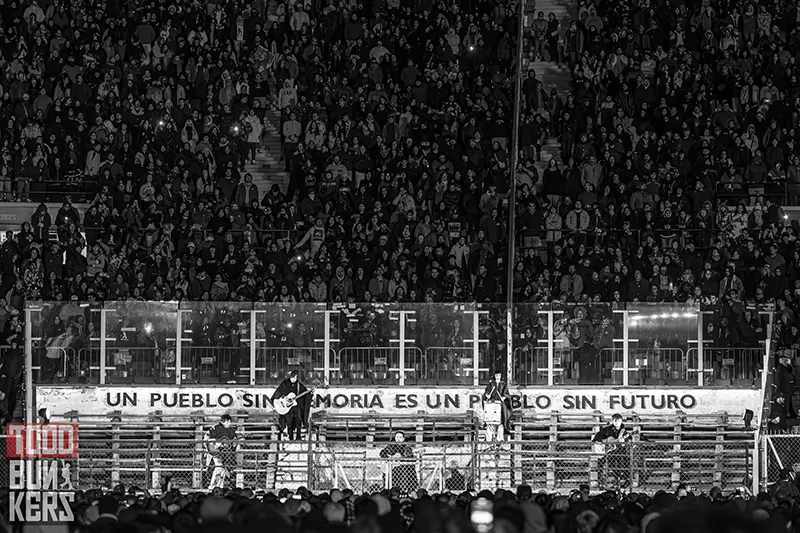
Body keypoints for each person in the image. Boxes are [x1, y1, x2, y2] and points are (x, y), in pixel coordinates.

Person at [592, 414, 634, 489]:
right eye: (614, 420)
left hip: (620, 453)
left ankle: (622, 481)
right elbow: (596, 438)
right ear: (612, 421)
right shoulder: (607, 429)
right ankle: (601, 482)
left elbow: (628, 441)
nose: (616, 422)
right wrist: (603, 444)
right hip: (607, 452)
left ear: (621, 421)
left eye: (618, 420)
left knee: (624, 460)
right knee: (601, 461)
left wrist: (624, 442)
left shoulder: (624, 432)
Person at [271, 370, 310, 440]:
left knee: (298, 421)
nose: (293, 379)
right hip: (287, 408)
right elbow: (278, 393)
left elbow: (305, 394)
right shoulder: (284, 384)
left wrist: (311, 393)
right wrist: (284, 396)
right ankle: (290, 436)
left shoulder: (299, 386)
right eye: (292, 377)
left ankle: (298, 436)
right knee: (289, 422)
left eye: (295, 378)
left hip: (296, 407)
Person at [204, 414, 238, 490]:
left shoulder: (231, 431)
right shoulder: (216, 428)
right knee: (219, 467)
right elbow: (207, 437)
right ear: (227, 421)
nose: (230, 423)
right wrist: (214, 444)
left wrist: (234, 443)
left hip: (226, 454)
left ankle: (219, 486)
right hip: (216, 452)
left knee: (222, 469)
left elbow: (234, 442)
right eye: (229, 422)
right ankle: (214, 486)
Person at [483, 370, 513, 440]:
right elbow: (486, 393)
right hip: (492, 405)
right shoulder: (491, 384)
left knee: (500, 422)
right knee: (490, 422)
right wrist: (487, 395)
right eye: (496, 376)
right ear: (494, 376)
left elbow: (507, 394)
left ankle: (500, 440)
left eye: (499, 376)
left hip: (500, 405)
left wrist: (504, 397)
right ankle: (489, 440)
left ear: (501, 376)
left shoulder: (503, 384)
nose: (498, 377)